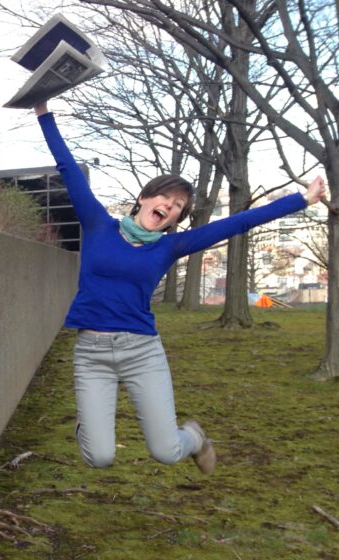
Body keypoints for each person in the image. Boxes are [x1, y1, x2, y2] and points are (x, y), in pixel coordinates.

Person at [34, 100, 326, 474]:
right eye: (165, 198)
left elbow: (237, 223)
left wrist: (300, 200)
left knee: (167, 451)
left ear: (175, 220)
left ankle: (196, 437)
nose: (170, 207)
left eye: (178, 207)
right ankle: (89, 426)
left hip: (141, 351)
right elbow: (69, 168)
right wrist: (44, 113)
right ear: (144, 198)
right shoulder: (97, 225)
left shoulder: (170, 246)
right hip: (91, 355)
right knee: (100, 456)